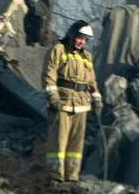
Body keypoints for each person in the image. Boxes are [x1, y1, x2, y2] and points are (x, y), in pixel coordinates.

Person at [42, 19, 103, 182]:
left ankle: (72, 177)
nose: (82, 42)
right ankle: (55, 175)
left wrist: (97, 97)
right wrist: (53, 97)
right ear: (72, 34)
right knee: (58, 142)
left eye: (85, 39)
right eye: (80, 37)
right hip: (62, 102)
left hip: (81, 105)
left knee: (76, 146)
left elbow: (91, 81)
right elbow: (49, 75)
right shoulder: (58, 50)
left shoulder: (87, 56)